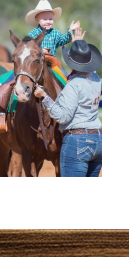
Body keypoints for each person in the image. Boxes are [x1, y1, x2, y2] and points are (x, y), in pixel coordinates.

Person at [34, 38, 102, 177]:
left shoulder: (73, 85)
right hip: (99, 140)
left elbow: (63, 116)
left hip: (78, 141)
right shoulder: (97, 80)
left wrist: (44, 97)